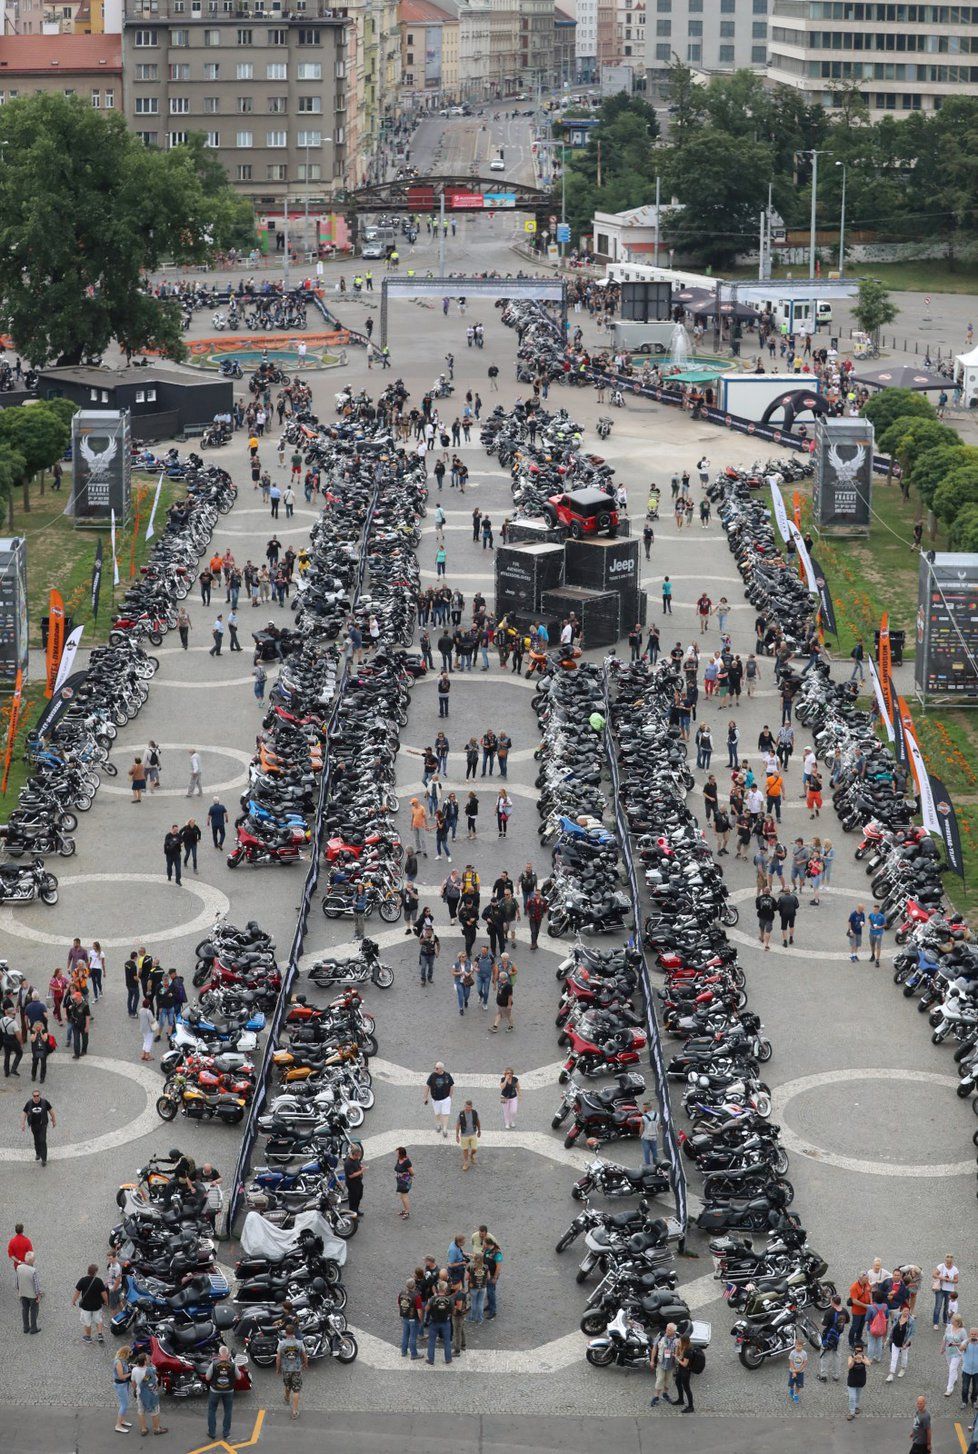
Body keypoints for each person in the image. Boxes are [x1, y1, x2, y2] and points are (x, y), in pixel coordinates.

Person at [276, 1322, 307, 1421]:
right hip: (297, 1369)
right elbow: (304, 1355)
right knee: (296, 1390)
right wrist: (305, 1364)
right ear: (294, 1332)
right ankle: (294, 1411)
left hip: (286, 1369)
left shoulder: (281, 1344)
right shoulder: (299, 1343)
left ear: (286, 1333)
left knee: (287, 1385)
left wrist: (278, 1369)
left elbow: (278, 1358)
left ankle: (286, 1398)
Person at [131, 1351, 166, 1437]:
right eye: (148, 1359)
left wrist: (136, 1390)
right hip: (150, 1395)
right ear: (145, 1362)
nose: (149, 1359)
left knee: (141, 1411)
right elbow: (155, 1384)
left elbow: (133, 1383)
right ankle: (156, 1429)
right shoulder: (150, 1371)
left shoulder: (134, 1370)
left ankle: (143, 1429)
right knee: (155, 1412)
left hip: (140, 1394)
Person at [73, 1263, 108, 1344]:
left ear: (88, 1271)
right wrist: (106, 1301)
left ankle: (88, 1337)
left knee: (87, 1322)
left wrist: (73, 1300)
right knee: (98, 1320)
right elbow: (104, 1293)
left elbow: (77, 1292)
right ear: (95, 1272)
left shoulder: (82, 1280)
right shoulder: (99, 1281)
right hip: (97, 1306)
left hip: (86, 1307)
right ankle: (100, 1335)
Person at [818, 1295, 849, 1383]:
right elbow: (847, 1321)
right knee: (837, 1355)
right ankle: (836, 1375)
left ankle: (823, 1376)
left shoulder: (829, 1312)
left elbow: (824, 1325)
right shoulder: (844, 1311)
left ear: (833, 1302)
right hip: (839, 1336)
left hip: (828, 1337)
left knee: (825, 1356)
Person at [886, 1305, 915, 1383]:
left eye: (908, 1311)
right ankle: (891, 1374)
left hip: (904, 1343)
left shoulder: (911, 1321)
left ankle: (903, 1368)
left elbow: (912, 1334)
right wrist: (889, 1337)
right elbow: (893, 1326)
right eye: (905, 1311)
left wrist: (906, 1344)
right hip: (895, 1341)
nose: (906, 1312)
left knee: (904, 1356)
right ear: (901, 1311)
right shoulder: (897, 1316)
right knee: (894, 1358)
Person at [16, 1250, 41, 1334]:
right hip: (32, 1295)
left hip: (23, 1293)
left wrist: (18, 1290)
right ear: (33, 1261)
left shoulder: (19, 1268)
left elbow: (18, 1280)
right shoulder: (33, 1271)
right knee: (34, 1311)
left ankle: (26, 1327)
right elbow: (36, 1285)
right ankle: (33, 1328)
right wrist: (39, 1296)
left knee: (25, 1310)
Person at [398, 1278, 423, 1359]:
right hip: (413, 1319)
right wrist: (421, 1320)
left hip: (405, 1317)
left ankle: (404, 1352)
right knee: (413, 1337)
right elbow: (419, 1311)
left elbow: (399, 1304)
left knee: (405, 1335)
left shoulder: (401, 1293)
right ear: (414, 1286)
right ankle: (414, 1354)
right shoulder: (416, 1296)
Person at [113, 1345, 134, 1433]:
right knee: (124, 1405)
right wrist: (131, 1373)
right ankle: (118, 1425)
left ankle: (122, 1420)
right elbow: (121, 1376)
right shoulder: (118, 1362)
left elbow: (126, 1366)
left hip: (124, 1384)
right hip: (121, 1385)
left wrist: (131, 1366)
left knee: (125, 1403)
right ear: (126, 1353)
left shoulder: (122, 1360)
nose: (130, 1355)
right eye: (130, 1353)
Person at [456, 1100, 481, 1171]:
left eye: (469, 1107)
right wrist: (457, 1136)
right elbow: (457, 1125)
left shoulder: (474, 1113)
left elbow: (477, 1122)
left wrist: (479, 1131)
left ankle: (471, 1155)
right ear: (464, 1106)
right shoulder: (461, 1114)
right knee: (465, 1149)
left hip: (473, 1133)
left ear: (471, 1107)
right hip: (464, 1135)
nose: (467, 1109)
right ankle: (466, 1162)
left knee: (474, 1149)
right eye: (466, 1107)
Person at [673, 1335, 695, 1413]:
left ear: (684, 1342)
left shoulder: (688, 1351)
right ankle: (680, 1400)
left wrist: (677, 1359)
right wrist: (677, 1347)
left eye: (680, 1341)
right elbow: (678, 1355)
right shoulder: (683, 1348)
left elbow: (684, 1364)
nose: (679, 1342)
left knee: (686, 1388)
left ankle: (691, 1406)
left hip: (685, 1371)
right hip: (681, 1370)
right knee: (677, 1382)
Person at [846, 1342, 868, 1419]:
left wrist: (862, 1359)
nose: (857, 1352)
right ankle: (852, 1413)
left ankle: (856, 1407)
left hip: (860, 1380)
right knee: (852, 1397)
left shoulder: (863, 1357)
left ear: (862, 1351)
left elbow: (868, 1364)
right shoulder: (851, 1357)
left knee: (858, 1396)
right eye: (856, 1351)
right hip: (852, 1380)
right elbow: (849, 1366)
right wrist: (854, 1360)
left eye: (859, 1351)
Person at [344, 1143, 365, 1220]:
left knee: (358, 1197)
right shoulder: (348, 1163)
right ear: (354, 1155)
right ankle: (352, 1216)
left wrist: (360, 1167)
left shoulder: (356, 1159)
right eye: (357, 1156)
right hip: (352, 1184)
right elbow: (351, 1175)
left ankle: (356, 1211)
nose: (358, 1157)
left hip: (358, 1182)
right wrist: (361, 1171)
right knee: (353, 1199)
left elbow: (358, 1164)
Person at [394, 1146, 413, 1219]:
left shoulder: (406, 1161)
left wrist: (404, 1175)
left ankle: (407, 1212)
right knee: (402, 1196)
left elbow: (412, 1172)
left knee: (404, 1196)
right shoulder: (399, 1159)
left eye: (397, 1153)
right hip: (399, 1180)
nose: (396, 1154)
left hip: (405, 1181)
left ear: (401, 1154)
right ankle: (405, 1210)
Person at [788, 1335, 808, 1404]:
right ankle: (791, 1389)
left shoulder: (804, 1353)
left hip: (800, 1372)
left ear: (802, 1346)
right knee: (791, 1383)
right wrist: (794, 1371)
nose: (798, 1347)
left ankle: (796, 1395)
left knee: (798, 1385)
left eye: (800, 1346)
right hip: (792, 1371)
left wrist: (800, 1369)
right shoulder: (792, 1352)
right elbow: (791, 1362)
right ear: (795, 1346)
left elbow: (805, 1362)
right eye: (797, 1346)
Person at [640, 1101, 659, 1166]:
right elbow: (658, 1125)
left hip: (646, 1136)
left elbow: (641, 1127)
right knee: (654, 1151)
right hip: (654, 1136)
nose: (642, 1109)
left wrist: (641, 1135)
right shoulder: (657, 1115)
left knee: (646, 1151)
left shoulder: (644, 1117)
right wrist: (657, 1133)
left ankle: (648, 1165)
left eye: (643, 1108)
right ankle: (656, 1164)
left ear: (646, 1108)